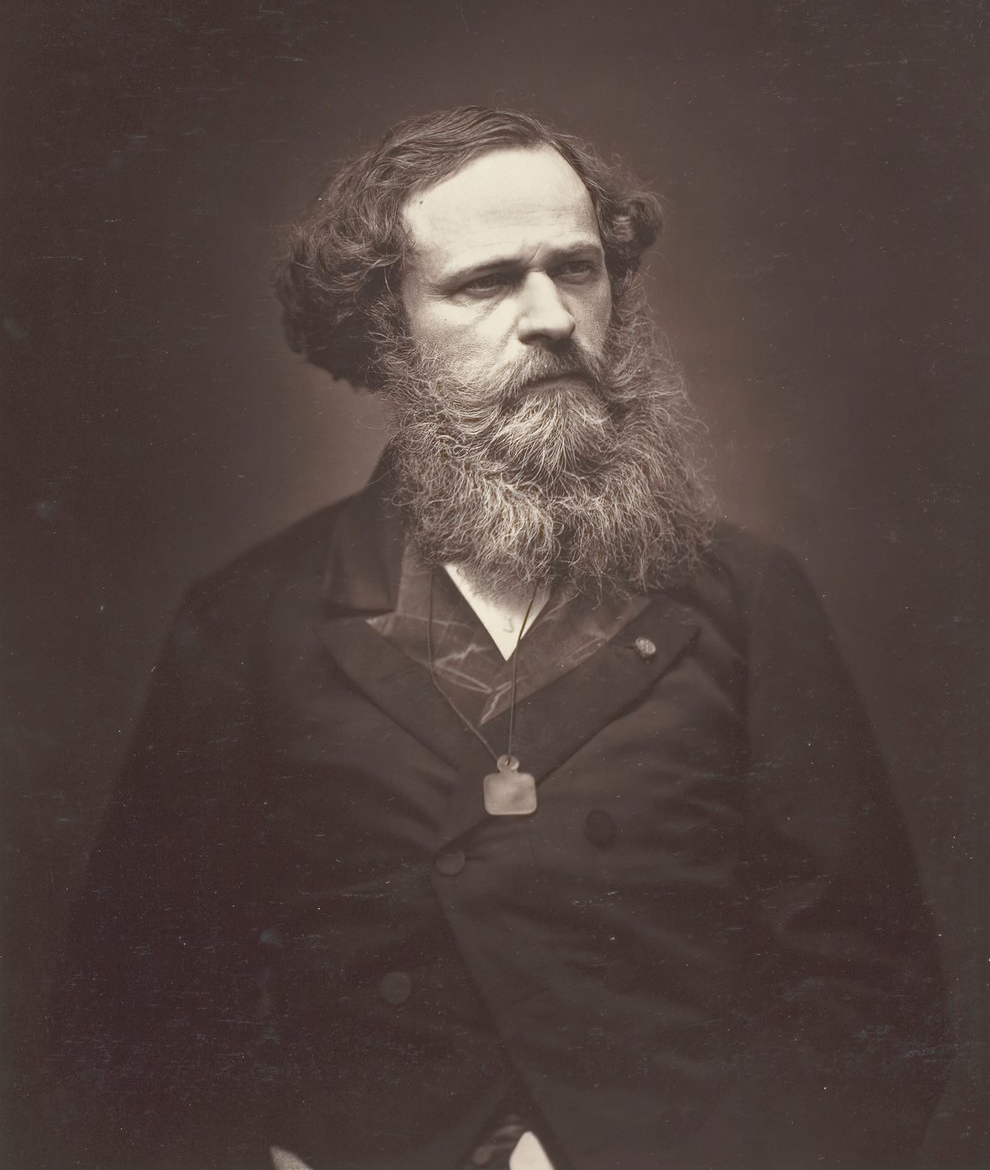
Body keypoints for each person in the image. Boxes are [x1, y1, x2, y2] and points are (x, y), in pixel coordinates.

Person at [52, 107, 950, 1170]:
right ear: (388, 330)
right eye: (485, 283)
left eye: (577, 268)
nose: (553, 317)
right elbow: (134, 1016)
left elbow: (866, 999)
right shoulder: (249, 622)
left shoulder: (747, 599)